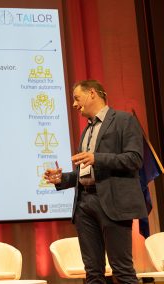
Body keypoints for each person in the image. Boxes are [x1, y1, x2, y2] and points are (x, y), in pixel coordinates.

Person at [44, 80, 147, 283]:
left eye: (76, 98)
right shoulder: (87, 130)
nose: (74, 104)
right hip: (84, 204)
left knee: (122, 271)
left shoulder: (124, 121)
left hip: (113, 202)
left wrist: (97, 157)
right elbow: (86, 171)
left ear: (92, 93)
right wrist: (62, 179)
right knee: (92, 273)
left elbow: (135, 159)